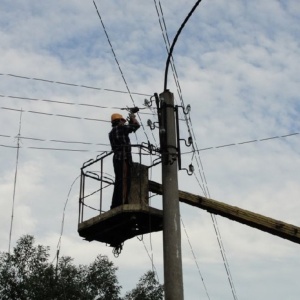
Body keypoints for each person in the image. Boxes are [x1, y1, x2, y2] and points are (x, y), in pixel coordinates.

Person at [109, 112, 140, 209]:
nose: (123, 122)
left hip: (116, 158)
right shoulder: (121, 128)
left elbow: (129, 128)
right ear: (119, 121)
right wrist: (132, 117)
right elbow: (136, 126)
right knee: (125, 180)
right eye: (122, 121)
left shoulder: (111, 133)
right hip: (123, 157)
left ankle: (115, 203)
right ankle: (123, 201)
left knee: (118, 181)